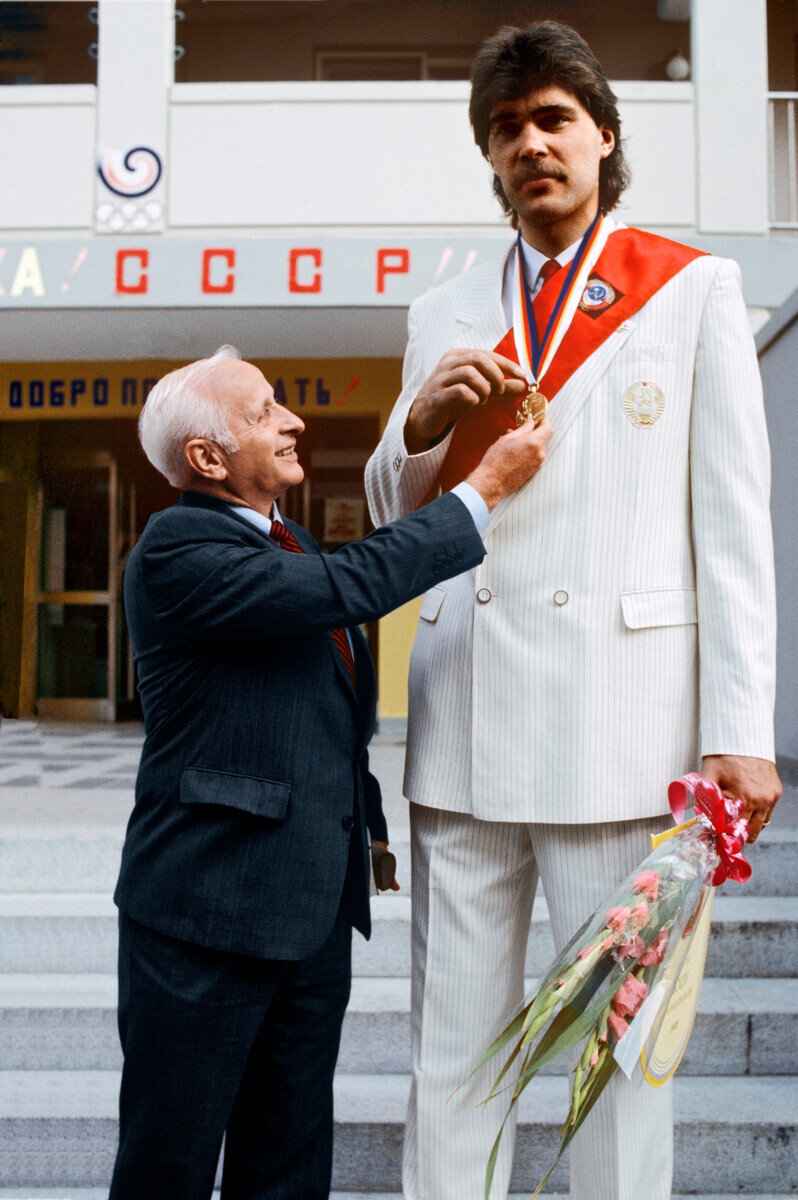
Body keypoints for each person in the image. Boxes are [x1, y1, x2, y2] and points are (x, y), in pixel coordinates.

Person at [364, 20, 782, 1200]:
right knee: (450, 1055)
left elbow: (734, 526)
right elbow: (395, 506)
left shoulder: (692, 286)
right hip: (466, 714)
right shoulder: (443, 304)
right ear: (490, 159)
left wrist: (740, 727)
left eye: (553, 120)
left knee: (618, 1053)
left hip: (625, 730)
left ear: (603, 136)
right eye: (506, 128)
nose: (530, 144)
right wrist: (421, 427)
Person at [108, 344, 551, 1200]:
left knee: (289, 1162)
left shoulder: (288, 540)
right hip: (205, 919)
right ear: (206, 458)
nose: (292, 421)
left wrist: (367, 832)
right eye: (264, 410)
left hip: (309, 913)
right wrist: (482, 489)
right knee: (171, 1160)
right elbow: (349, 585)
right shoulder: (174, 554)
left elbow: (323, 696)